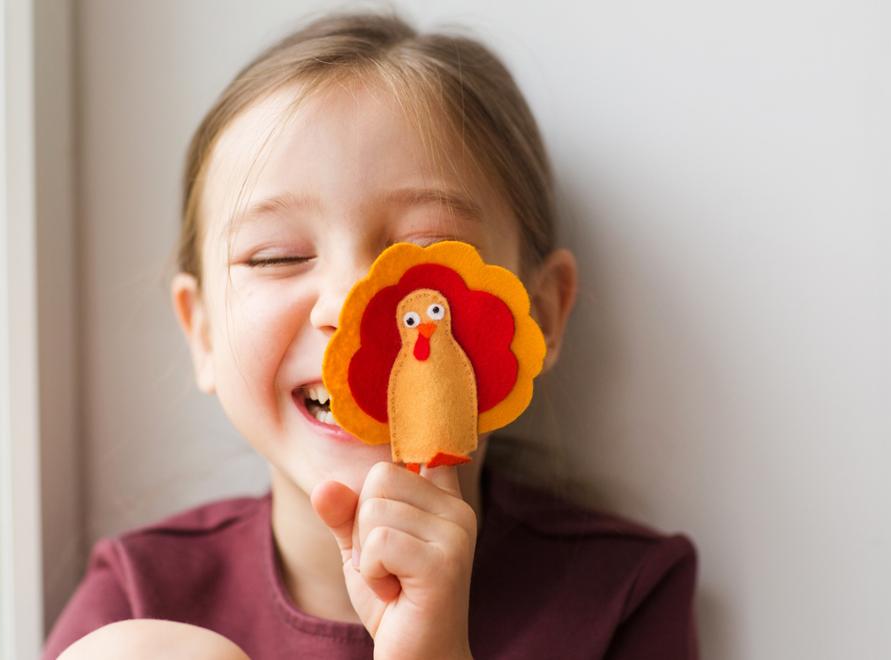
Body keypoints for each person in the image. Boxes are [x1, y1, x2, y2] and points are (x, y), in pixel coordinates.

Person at [44, 9, 697, 659]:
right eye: (276, 257)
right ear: (202, 332)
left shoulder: (623, 598)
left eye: (424, 252)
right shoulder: (135, 602)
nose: (349, 305)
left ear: (540, 317)